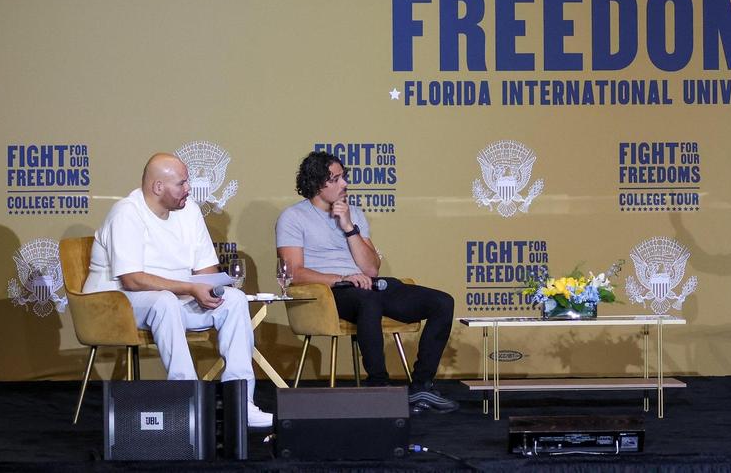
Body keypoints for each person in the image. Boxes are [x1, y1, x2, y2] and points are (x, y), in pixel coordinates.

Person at [83, 153, 272, 428]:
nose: (188, 189)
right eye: (181, 183)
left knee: (233, 300)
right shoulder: (127, 213)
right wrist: (190, 288)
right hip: (114, 303)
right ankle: (187, 399)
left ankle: (240, 402)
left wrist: (209, 289)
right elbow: (132, 280)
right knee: (164, 302)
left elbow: (205, 270)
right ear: (158, 187)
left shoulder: (190, 211)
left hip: (172, 299)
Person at [276, 151, 458, 413]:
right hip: (328, 292)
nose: (344, 184)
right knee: (368, 300)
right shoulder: (293, 217)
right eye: (336, 179)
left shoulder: (354, 214)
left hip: (364, 285)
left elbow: (371, 268)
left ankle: (421, 386)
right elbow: (293, 272)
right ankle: (379, 387)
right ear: (317, 184)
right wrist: (342, 279)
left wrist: (349, 227)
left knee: (441, 302)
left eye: (343, 177)